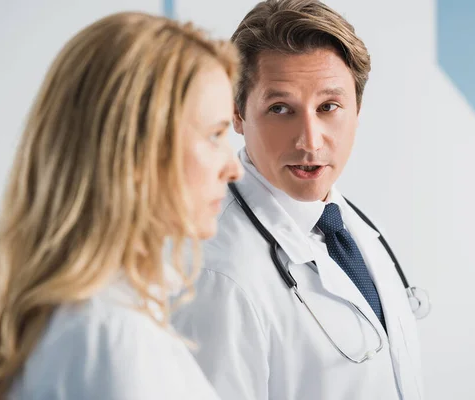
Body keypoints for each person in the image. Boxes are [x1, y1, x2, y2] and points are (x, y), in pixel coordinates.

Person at [0, 12, 242, 400]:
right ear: (135, 151)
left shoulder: (73, 319)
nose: (234, 168)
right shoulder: (112, 337)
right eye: (214, 135)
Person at [172, 1, 424, 399]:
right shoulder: (218, 275)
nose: (309, 140)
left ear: (357, 108)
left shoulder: (352, 226)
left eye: (329, 107)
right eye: (280, 109)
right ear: (237, 113)